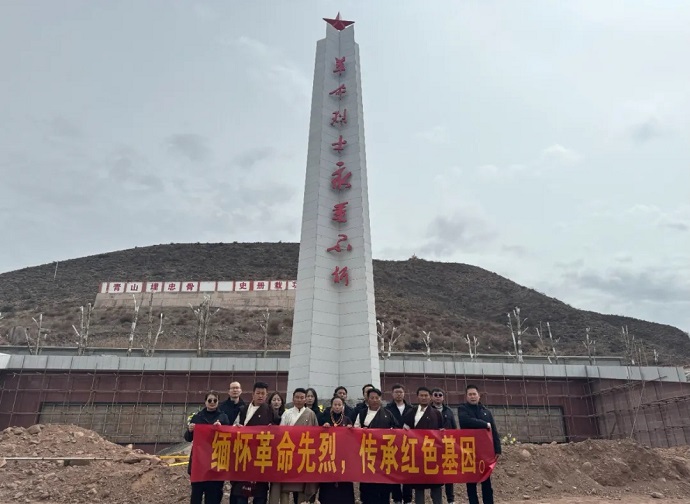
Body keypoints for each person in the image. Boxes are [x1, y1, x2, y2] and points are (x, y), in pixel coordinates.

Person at [270, 388, 319, 504]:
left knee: (302, 486)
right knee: (285, 487)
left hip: (303, 455)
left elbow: (316, 435)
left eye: (302, 397)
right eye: (297, 397)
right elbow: (281, 433)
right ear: (293, 398)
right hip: (288, 454)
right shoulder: (287, 413)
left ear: (305, 399)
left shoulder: (311, 414)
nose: (299, 400)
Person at [232, 382, 278, 504]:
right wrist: (237, 428)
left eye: (263, 394)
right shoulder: (243, 409)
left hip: (261, 456)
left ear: (266, 395)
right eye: (258, 393)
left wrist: (272, 428)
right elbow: (234, 426)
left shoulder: (270, 411)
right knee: (241, 494)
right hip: (244, 455)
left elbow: (278, 430)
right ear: (253, 394)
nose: (260, 396)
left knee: (260, 495)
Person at [184, 391, 230, 504]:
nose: (212, 402)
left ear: (218, 402)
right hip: (199, 463)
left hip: (215, 462)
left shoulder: (223, 417)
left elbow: (229, 436)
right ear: (205, 402)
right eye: (209, 400)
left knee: (213, 497)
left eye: (215, 400)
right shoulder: (197, 417)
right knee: (196, 496)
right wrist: (190, 430)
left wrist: (221, 428)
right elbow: (188, 438)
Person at [458, 385, 501, 504]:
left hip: (484, 452)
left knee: (486, 481)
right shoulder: (462, 409)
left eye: (474, 394)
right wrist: (484, 424)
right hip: (469, 451)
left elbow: (494, 431)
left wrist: (497, 449)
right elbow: (465, 421)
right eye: (470, 394)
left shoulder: (486, 411)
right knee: (471, 482)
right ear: (466, 396)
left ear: (479, 395)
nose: (472, 396)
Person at [354, 387, 396, 504]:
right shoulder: (362, 414)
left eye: (377, 398)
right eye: (372, 398)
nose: (374, 400)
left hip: (383, 455)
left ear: (380, 399)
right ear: (367, 399)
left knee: (383, 486)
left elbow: (396, 431)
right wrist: (362, 431)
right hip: (367, 454)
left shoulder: (388, 414)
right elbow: (355, 430)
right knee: (367, 486)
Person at [402, 387, 444, 504]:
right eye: (421, 395)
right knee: (419, 485)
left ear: (430, 397)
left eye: (426, 395)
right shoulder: (411, 412)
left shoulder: (436, 413)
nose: (424, 398)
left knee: (436, 484)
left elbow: (441, 432)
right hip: (417, 454)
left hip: (432, 453)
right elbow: (405, 431)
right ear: (417, 397)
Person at [318, 396, 355, 504]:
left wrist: (351, 429)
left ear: (343, 406)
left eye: (339, 405)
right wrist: (323, 428)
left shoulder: (347, 419)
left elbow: (353, 438)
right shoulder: (324, 418)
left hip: (343, 456)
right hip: (328, 454)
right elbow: (317, 434)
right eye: (335, 404)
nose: (337, 407)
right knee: (328, 481)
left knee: (344, 480)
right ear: (331, 406)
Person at [385, 384, 413, 504]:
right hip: (393, 444)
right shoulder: (387, 409)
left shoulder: (411, 408)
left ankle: (407, 499)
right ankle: (397, 498)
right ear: (392, 394)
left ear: (404, 393)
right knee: (394, 470)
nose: (399, 394)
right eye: (396, 392)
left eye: (400, 392)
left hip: (408, 444)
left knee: (408, 470)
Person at [431, 388, 457, 504]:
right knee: (435, 474)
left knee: (449, 475)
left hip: (448, 447)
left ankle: (451, 500)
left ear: (443, 397)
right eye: (435, 395)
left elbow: (454, 428)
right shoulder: (428, 411)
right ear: (432, 397)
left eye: (440, 395)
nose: (438, 397)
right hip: (433, 447)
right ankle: (437, 500)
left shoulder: (449, 411)